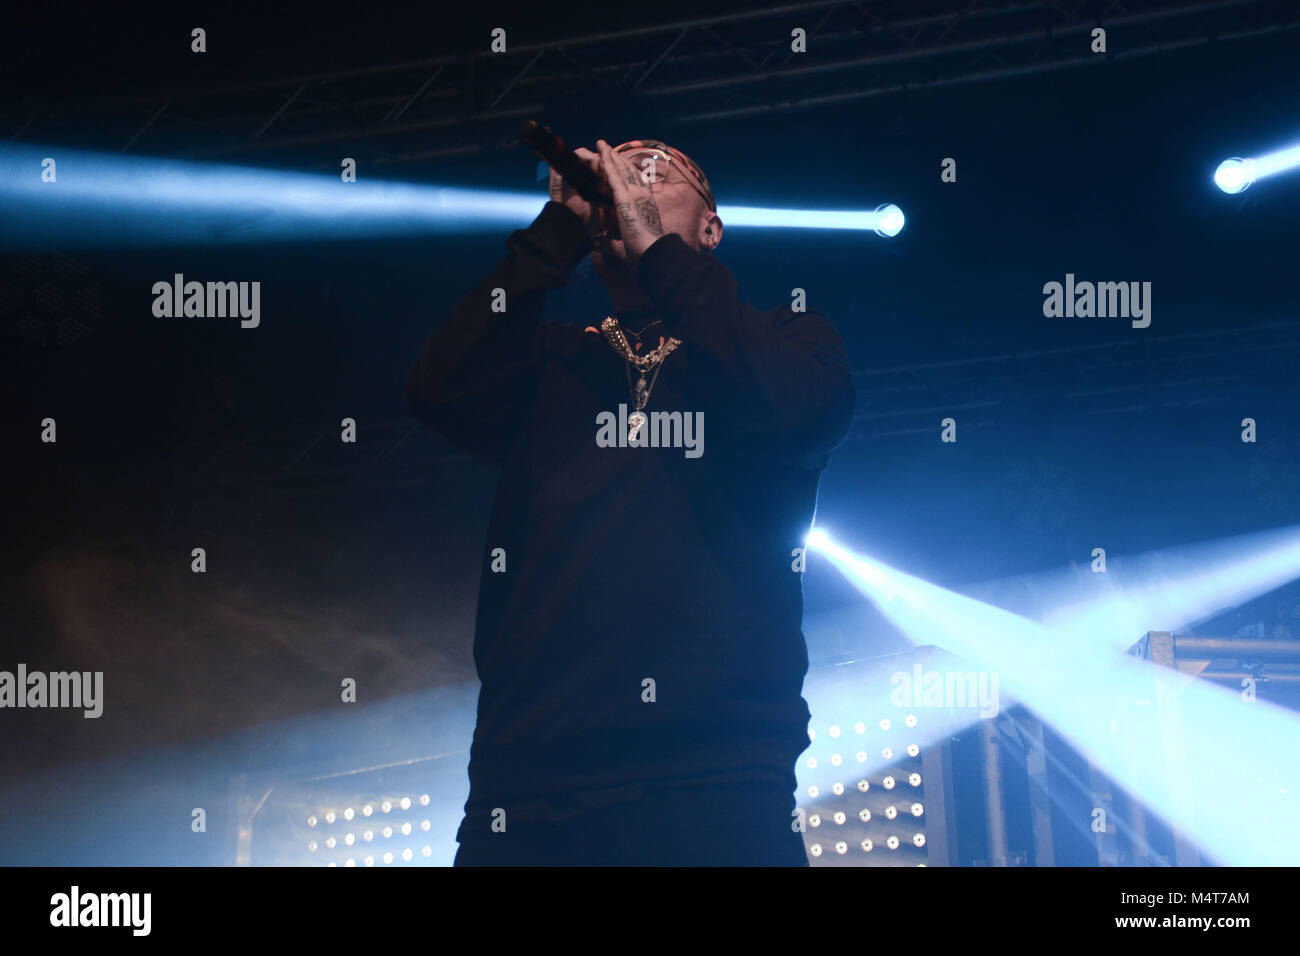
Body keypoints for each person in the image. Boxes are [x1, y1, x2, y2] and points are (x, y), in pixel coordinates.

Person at [407, 136, 855, 865]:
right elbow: (436, 388)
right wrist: (557, 230)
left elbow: (801, 412)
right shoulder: (555, 360)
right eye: (616, 172)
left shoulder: (788, 338)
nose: (627, 181)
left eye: (655, 169)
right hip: (528, 785)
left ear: (711, 228)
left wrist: (659, 255)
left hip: (717, 777)